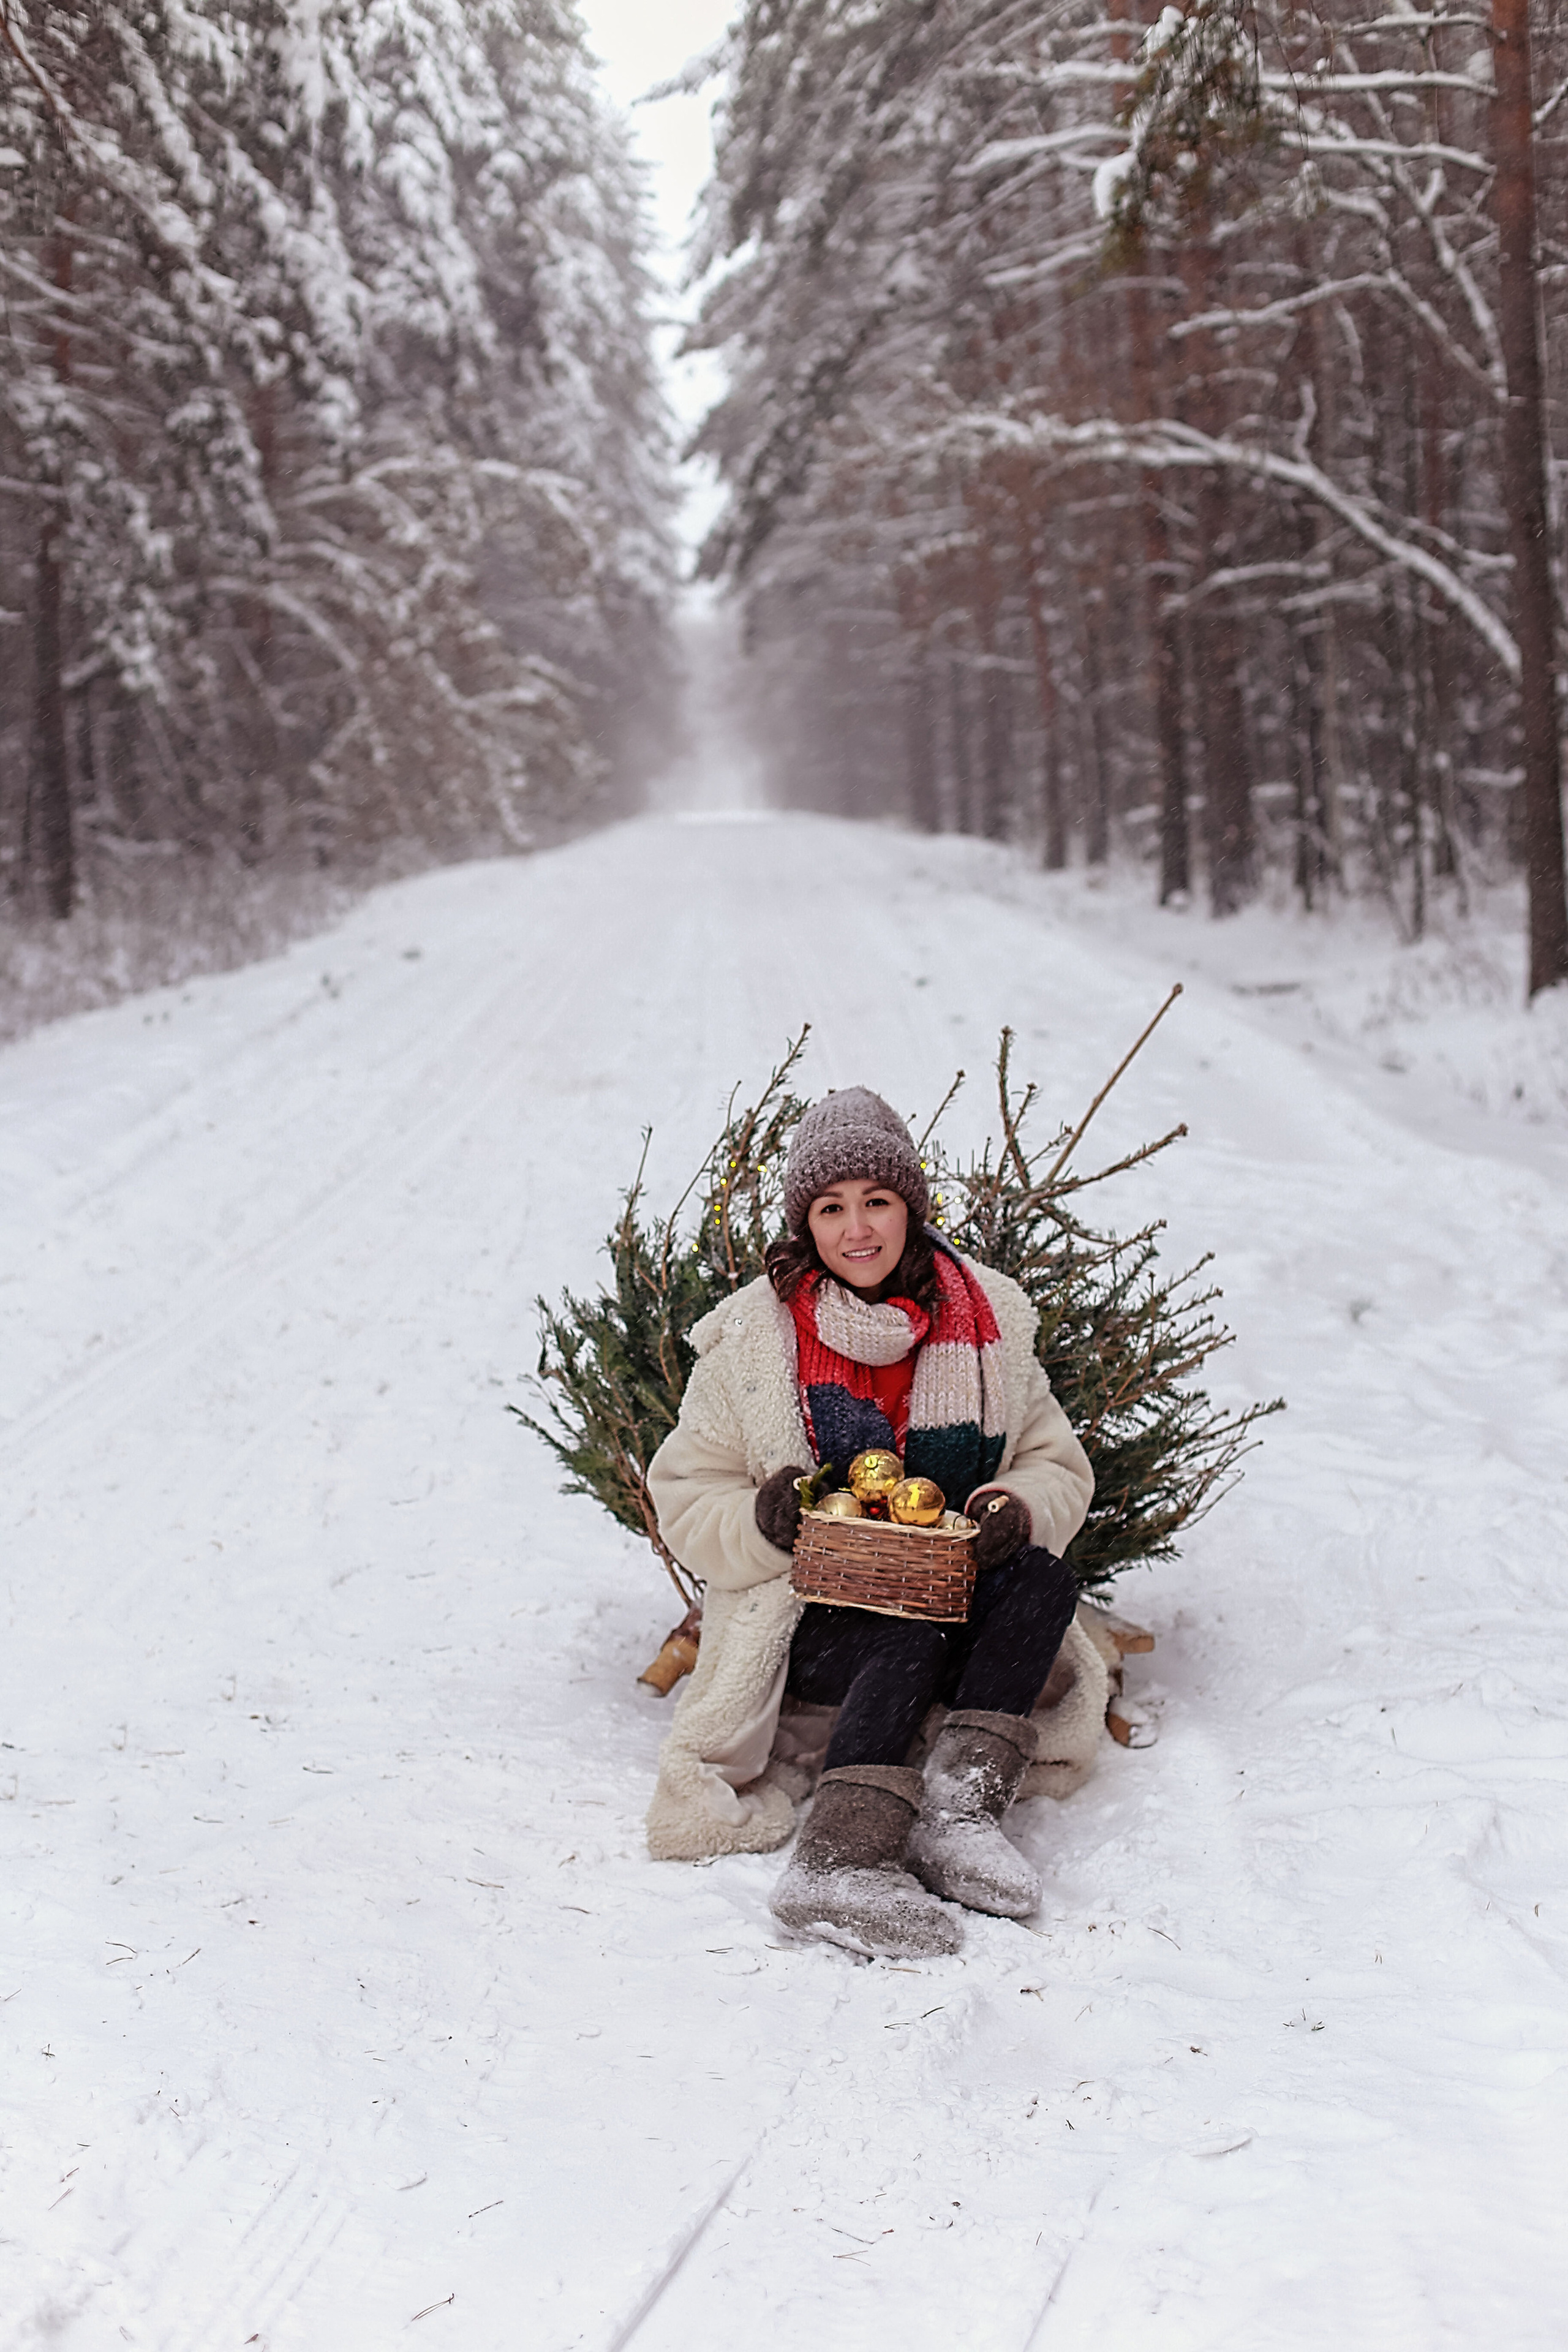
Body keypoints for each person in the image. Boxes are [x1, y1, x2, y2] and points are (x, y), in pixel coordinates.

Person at [645, 1087, 1095, 1957]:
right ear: (806, 1225)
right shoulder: (755, 1341)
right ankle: (837, 1864)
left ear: (911, 1209)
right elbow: (686, 1493)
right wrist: (762, 1520)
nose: (858, 1229)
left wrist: (1013, 1506)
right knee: (906, 1624)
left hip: (946, 1581)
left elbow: (1056, 1461)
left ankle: (958, 1813)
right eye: (832, 1207)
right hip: (818, 1619)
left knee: (1041, 1579)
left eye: (878, 1202)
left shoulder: (986, 1321)